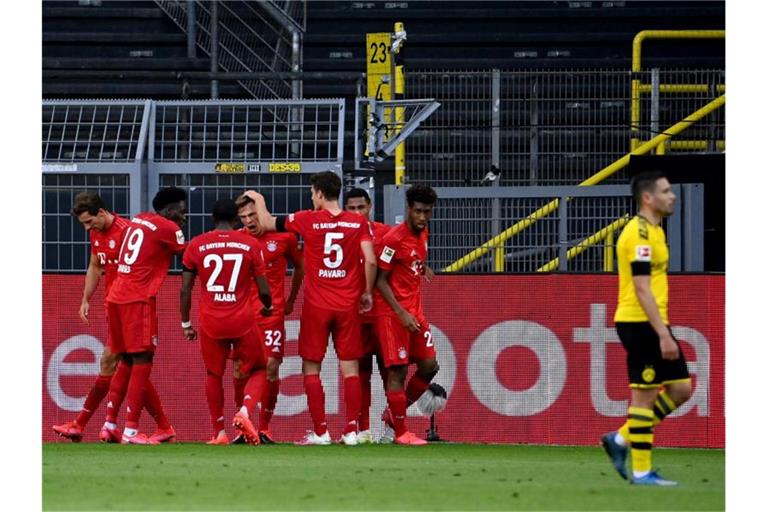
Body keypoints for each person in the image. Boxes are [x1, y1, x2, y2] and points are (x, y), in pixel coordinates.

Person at [241, 171, 377, 445]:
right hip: (347, 303)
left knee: (311, 368)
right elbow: (371, 260)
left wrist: (258, 198)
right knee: (350, 368)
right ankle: (351, 431)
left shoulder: (307, 219)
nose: (310, 198)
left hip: (317, 305)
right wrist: (366, 292)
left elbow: (267, 222)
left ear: (318, 193)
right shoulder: (358, 222)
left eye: (312, 193)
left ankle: (321, 432)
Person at [53, 192, 173, 443]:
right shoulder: (95, 233)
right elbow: (96, 265)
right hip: (114, 308)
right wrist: (86, 298)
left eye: (89, 222)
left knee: (114, 362)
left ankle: (85, 423)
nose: (88, 228)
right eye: (84, 224)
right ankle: (160, 426)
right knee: (129, 366)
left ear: (101, 212)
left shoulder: (127, 231)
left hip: (132, 307)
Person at [601, 170, 692, 486]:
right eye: (666, 191)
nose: (673, 195)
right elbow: (641, 287)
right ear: (648, 198)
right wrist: (663, 333)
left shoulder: (655, 231)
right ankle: (641, 472)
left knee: (682, 388)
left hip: (652, 321)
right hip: (639, 322)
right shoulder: (638, 233)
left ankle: (622, 439)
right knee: (645, 397)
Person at [180, 199, 273, 445]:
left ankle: (219, 432)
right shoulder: (250, 244)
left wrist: (185, 324)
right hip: (241, 319)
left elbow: (185, 290)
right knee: (260, 368)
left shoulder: (196, 244)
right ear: (236, 220)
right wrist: (268, 305)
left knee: (213, 374)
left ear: (213, 218)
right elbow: (263, 288)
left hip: (211, 321)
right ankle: (244, 411)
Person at [102, 187, 188, 444]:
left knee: (126, 361)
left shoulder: (138, 218)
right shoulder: (169, 228)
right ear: (170, 210)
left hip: (116, 294)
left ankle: (110, 424)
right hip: (137, 299)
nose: (184, 216)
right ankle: (131, 429)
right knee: (143, 359)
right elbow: (190, 256)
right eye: (181, 211)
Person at [235, 194, 305, 444]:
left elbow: (300, 266)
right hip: (243, 316)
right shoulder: (238, 238)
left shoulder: (284, 237)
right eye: (243, 217)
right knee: (240, 371)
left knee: (272, 367)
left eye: (252, 215)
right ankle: (243, 426)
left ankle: (264, 427)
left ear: (261, 212)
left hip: (271, 314)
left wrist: (290, 299)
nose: (248, 221)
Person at [375, 184, 439, 445]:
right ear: (409, 209)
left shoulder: (424, 233)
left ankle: (394, 415)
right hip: (394, 315)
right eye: (418, 212)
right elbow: (380, 281)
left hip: (416, 312)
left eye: (427, 212)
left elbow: (412, 258)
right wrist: (401, 313)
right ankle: (401, 432)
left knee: (429, 366)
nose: (422, 217)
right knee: (398, 373)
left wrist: (422, 267)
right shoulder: (393, 239)